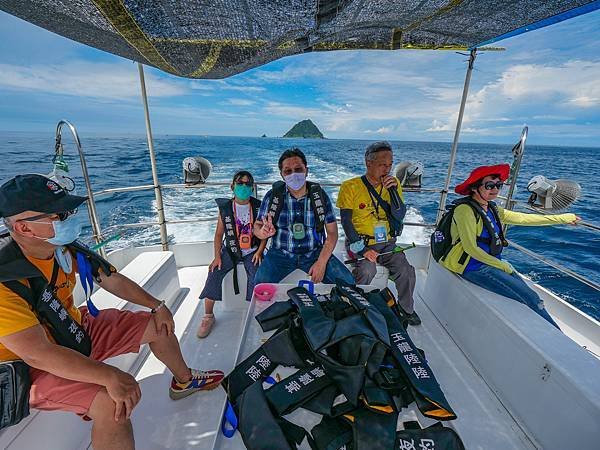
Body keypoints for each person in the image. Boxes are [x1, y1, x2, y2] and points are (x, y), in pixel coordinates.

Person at [0, 174, 224, 450]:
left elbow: (110, 278)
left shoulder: (63, 248)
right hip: (31, 367)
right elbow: (37, 353)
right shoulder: (4, 280)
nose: (69, 218)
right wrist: (108, 376)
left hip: (72, 329)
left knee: (159, 326)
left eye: (69, 210)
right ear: (24, 228)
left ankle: (184, 381)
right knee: (111, 403)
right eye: (59, 214)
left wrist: (158, 305)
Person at [439, 164, 579, 329]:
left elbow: (522, 218)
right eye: (489, 185)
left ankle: (549, 331)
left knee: (531, 296)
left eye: (498, 185)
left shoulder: (491, 207)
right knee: (531, 298)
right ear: (475, 188)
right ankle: (558, 336)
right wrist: (502, 265)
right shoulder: (464, 210)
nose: (495, 189)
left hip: (489, 262)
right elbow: (470, 248)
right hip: (471, 265)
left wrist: (563, 218)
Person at [337, 141, 421, 325]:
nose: (387, 169)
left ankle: (406, 309)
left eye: (390, 164)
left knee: (406, 270)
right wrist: (362, 249)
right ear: (369, 163)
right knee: (367, 270)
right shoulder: (350, 187)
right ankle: (358, 307)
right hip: (360, 241)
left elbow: (399, 214)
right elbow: (346, 222)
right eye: (383, 164)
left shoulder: (394, 184)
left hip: (387, 242)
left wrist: (393, 192)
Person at [254, 148, 354, 285]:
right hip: (280, 254)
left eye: (298, 169)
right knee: (260, 286)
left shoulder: (319, 197)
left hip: (314, 253)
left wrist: (321, 263)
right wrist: (262, 232)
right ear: (282, 175)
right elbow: (257, 226)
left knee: (348, 282)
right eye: (288, 171)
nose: (293, 174)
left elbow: (332, 233)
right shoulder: (273, 197)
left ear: (306, 170)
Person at [197, 170, 266, 338]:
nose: (244, 186)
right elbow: (219, 235)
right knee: (214, 271)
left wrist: (259, 251)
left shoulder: (258, 207)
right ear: (232, 186)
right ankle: (208, 316)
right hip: (231, 250)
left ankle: (253, 312)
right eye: (240, 183)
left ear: (252, 188)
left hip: (252, 250)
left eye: (248, 184)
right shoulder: (226, 208)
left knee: (256, 275)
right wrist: (217, 256)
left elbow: (265, 233)